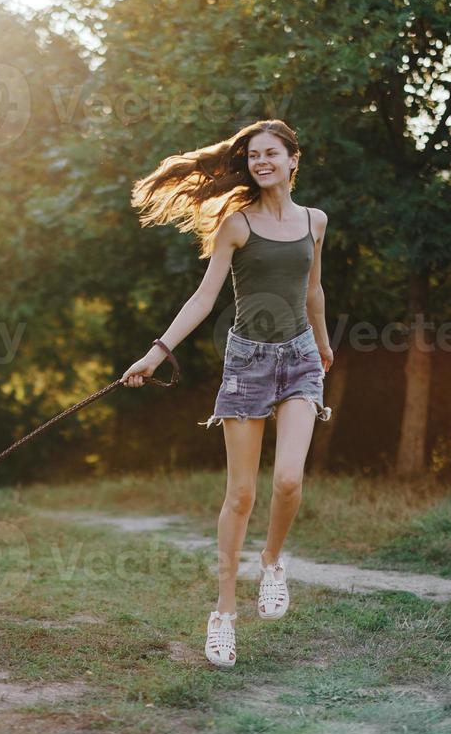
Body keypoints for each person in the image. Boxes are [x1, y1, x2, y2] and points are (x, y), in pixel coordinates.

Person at [120, 119, 333, 668]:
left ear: (293, 159)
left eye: (271, 153)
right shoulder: (236, 226)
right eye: (253, 156)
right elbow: (202, 298)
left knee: (288, 480)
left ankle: (272, 562)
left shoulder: (315, 222)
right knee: (241, 495)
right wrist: (155, 353)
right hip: (247, 364)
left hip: (302, 358)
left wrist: (325, 347)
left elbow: (314, 291)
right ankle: (224, 613)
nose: (261, 161)